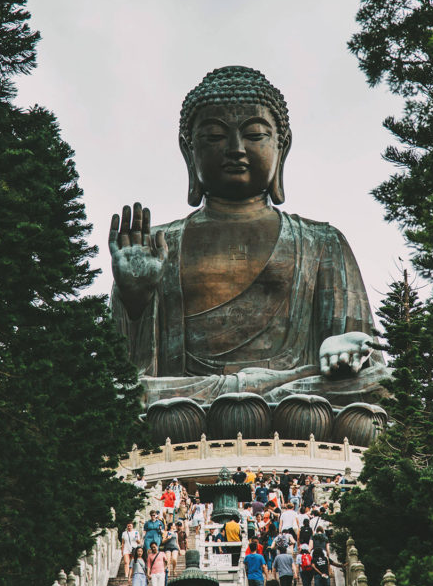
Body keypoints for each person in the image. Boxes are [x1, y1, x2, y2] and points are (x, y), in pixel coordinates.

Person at [109, 66, 391, 412]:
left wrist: (345, 346)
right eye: (214, 137)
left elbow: (367, 358)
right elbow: (123, 370)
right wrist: (134, 299)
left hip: (293, 391)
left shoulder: (321, 241)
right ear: (188, 151)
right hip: (184, 396)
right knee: (117, 395)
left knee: (378, 385)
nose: (235, 149)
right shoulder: (156, 245)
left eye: (255, 135)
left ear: (281, 147)